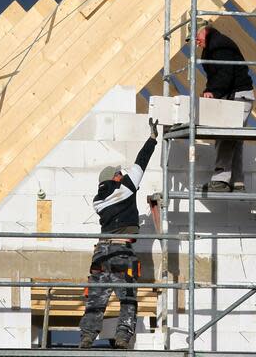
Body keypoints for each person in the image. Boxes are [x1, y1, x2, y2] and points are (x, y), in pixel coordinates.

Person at [79, 118, 159, 349]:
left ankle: (86, 337)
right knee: (127, 298)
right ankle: (123, 337)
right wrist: (152, 139)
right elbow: (141, 163)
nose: (122, 175)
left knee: (96, 299)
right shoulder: (125, 187)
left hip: (101, 253)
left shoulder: (98, 201)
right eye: (120, 174)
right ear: (115, 177)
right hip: (122, 251)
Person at [195, 22, 254, 192]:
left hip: (239, 97)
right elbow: (219, 75)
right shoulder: (214, 47)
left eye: (197, 39)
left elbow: (225, 73)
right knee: (234, 140)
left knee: (225, 136)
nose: (197, 43)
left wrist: (212, 91)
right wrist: (211, 89)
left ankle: (221, 180)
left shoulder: (219, 45)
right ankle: (236, 182)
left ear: (205, 32)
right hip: (238, 96)